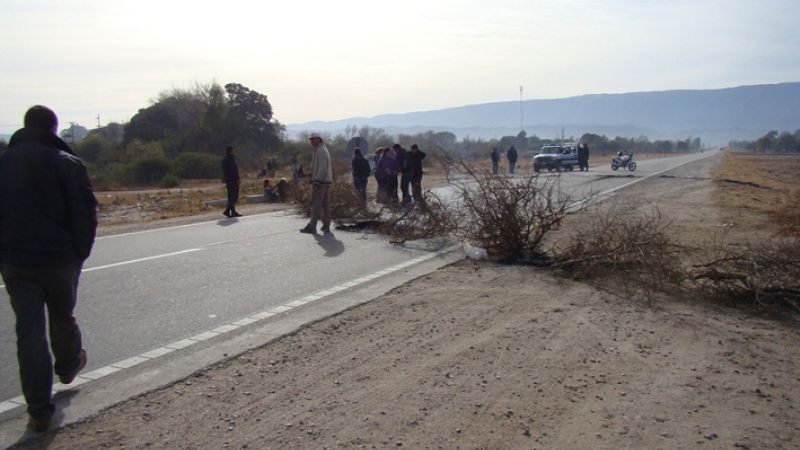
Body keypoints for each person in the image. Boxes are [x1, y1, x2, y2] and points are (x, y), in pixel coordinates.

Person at [0, 105, 97, 432]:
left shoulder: (4, 162)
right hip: (59, 261)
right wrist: (79, 254)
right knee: (62, 315)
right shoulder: (67, 164)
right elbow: (84, 215)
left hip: (16, 262)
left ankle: (39, 410)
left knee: (28, 332)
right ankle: (68, 365)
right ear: (53, 130)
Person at [300, 133, 333, 234]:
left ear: (319, 139)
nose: (312, 141)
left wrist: (317, 179)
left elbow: (323, 166)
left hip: (321, 182)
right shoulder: (322, 149)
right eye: (311, 140)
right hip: (326, 180)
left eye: (314, 139)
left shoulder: (320, 150)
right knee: (325, 204)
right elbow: (322, 166)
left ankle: (312, 226)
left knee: (316, 204)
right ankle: (326, 225)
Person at [221, 146, 241, 217]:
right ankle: (227, 210)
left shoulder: (224, 159)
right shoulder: (231, 159)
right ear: (231, 151)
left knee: (230, 196)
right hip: (233, 179)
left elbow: (224, 170)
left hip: (228, 180)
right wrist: (238, 178)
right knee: (234, 196)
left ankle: (233, 212)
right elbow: (234, 170)